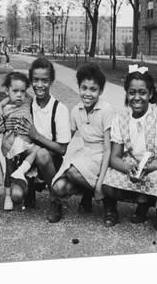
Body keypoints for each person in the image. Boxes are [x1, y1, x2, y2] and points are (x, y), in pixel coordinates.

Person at [102, 65, 157, 232]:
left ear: (150, 94)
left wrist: (149, 167)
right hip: (133, 161)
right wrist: (127, 168)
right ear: (126, 94)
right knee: (107, 181)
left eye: (142, 92)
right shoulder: (120, 119)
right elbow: (114, 156)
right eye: (132, 93)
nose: (137, 97)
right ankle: (140, 202)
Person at [6, 58, 71, 220]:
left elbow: (62, 149)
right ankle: (31, 190)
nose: (39, 85)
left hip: (50, 162)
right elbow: (10, 95)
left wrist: (37, 136)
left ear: (51, 81)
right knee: (16, 196)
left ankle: (55, 200)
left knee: (42, 153)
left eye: (44, 81)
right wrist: (0, 108)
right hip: (28, 159)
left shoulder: (59, 109)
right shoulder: (28, 102)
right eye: (35, 80)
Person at [50, 63, 113, 223]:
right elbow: (64, 140)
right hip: (85, 155)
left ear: (101, 91)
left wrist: (99, 184)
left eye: (93, 90)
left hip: (101, 156)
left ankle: (106, 199)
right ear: (78, 87)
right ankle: (87, 194)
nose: (88, 94)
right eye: (84, 88)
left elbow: (108, 149)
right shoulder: (76, 110)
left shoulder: (106, 110)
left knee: (73, 172)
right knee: (58, 187)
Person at [0, 72, 41, 211]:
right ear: (7, 91)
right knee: (9, 171)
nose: (19, 95)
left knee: (36, 153)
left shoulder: (29, 101)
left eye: (22, 91)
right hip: (11, 145)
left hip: (26, 143)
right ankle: (7, 195)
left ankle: (28, 185)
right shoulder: (4, 109)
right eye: (15, 91)